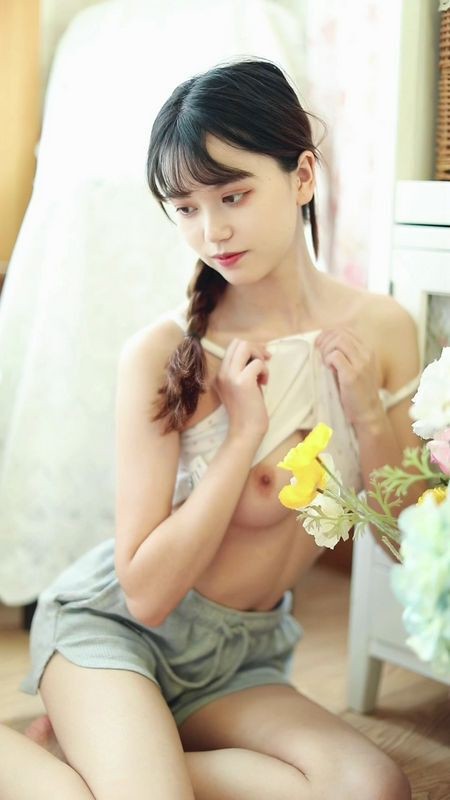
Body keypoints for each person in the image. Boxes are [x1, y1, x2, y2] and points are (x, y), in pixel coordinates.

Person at [1, 57, 419, 800]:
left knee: (369, 787)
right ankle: (101, 765)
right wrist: (239, 438)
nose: (211, 230)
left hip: (239, 659)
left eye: (232, 195)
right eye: (186, 207)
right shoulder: (165, 355)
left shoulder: (383, 330)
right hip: (116, 633)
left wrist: (364, 412)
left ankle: (97, 761)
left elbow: (404, 546)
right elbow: (145, 594)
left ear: (302, 177)